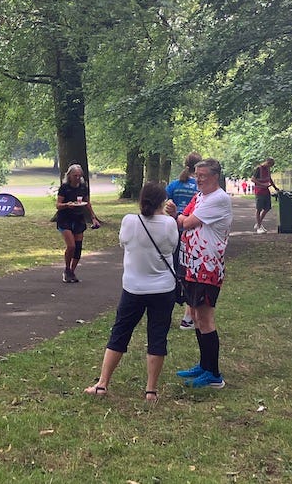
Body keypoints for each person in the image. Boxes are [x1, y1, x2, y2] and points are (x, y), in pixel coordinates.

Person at [84, 183, 179, 402]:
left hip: (133, 288)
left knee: (120, 333)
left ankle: (102, 384)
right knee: (157, 336)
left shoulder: (129, 221)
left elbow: (123, 244)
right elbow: (172, 248)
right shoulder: (169, 224)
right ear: (163, 202)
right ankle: (151, 390)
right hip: (163, 289)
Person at [174, 157, 233, 388]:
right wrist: (180, 217)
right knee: (197, 317)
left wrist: (180, 217)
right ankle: (204, 365)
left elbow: (186, 222)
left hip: (207, 267)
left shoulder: (219, 199)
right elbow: (184, 215)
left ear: (215, 177)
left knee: (206, 319)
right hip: (192, 264)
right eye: (196, 175)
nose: (198, 180)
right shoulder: (200, 196)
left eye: (203, 176)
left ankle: (214, 374)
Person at [165, 153, 201, 329]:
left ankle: (165, 313)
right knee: (189, 273)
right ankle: (188, 317)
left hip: (173, 231)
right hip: (192, 233)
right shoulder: (199, 186)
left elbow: (165, 202)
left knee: (171, 271)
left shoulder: (175, 184)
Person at [55, 163, 97, 282]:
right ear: (69, 176)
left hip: (78, 218)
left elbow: (87, 203)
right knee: (71, 246)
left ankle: (71, 272)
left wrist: (93, 218)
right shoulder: (64, 187)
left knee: (78, 248)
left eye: (79, 175)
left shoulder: (83, 187)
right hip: (65, 219)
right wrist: (67, 205)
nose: (78, 178)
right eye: (75, 175)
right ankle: (67, 268)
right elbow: (58, 205)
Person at [251, 157, 276, 234]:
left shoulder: (268, 170)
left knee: (267, 208)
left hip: (266, 191)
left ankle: (259, 223)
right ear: (267, 162)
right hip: (259, 191)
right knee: (259, 209)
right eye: (269, 165)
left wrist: (275, 187)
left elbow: (269, 179)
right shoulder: (258, 169)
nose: (269, 167)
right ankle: (259, 227)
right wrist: (262, 184)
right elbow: (253, 179)